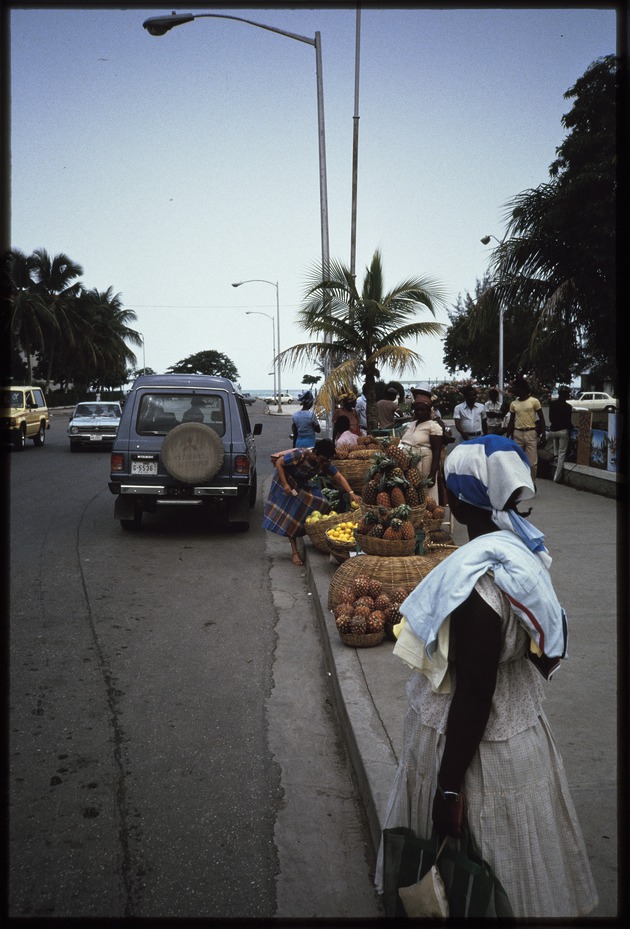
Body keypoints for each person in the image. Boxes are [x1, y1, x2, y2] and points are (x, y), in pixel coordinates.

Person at [375, 435, 598, 918]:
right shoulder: (522, 554)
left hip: (478, 750)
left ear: (453, 498)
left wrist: (449, 787)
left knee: (473, 867)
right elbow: (543, 645)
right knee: (520, 864)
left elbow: (475, 695)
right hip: (518, 737)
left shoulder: (477, 583)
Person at [262, 439, 360, 566]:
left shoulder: (325, 463)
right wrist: (286, 485)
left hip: (302, 484)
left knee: (322, 503)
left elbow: (339, 477)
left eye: (326, 460)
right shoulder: (301, 454)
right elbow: (280, 463)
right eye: (322, 459)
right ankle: (294, 552)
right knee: (290, 515)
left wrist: (352, 494)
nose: (323, 462)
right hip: (286, 482)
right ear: (316, 452)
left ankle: (313, 532)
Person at [399, 397, 443, 503]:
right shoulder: (411, 424)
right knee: (411, 494)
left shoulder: (433, 426)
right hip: (409, 465)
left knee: (426, 492)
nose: (419, 412)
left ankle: (428, 518)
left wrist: (433, 473)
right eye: (417, 410)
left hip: (425, 463)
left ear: (429, 411)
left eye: (423, 410)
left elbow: (437, 451)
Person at [505, 378, 546, 478]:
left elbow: (542, 419)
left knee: (532, 464)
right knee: (516, 462)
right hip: (517, 433)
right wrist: (507, 436)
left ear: (520, 388)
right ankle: (519, 484)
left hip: (531, 433)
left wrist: (543, 435)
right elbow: (511, 421)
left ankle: (531, 484)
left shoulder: (534, 401)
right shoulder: (513, 404)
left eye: (514, 388)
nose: (512, 390)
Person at [545, 386, 573, 482]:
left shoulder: (552, 404)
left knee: (556, 450)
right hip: (563, 432)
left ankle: (554, 456)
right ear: (566, 395)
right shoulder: (568, 407)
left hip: (553, 431)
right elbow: (568, 422)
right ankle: (556, 478)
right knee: (562, 455)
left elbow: (551, 419)